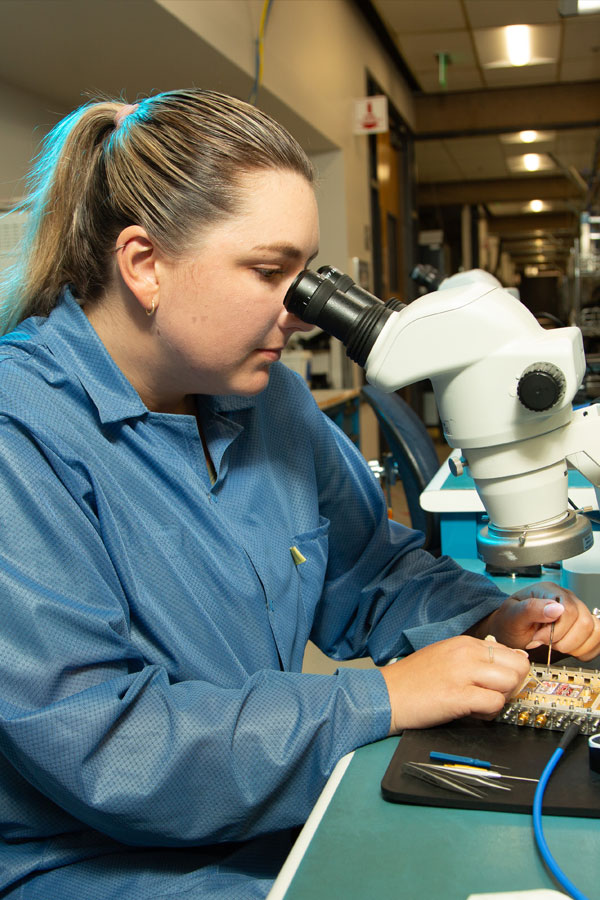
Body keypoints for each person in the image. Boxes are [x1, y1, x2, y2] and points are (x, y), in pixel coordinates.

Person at [0, 89, 597, 900]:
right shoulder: (22, 432)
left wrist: (488, 621)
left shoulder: (266, 399)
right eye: (268, 271)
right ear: (144, 265)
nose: (306, 312)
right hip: (95, 864)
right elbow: (106, 744)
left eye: (305, 273)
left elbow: (370, 571)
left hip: (266, 815)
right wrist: (381, 697)